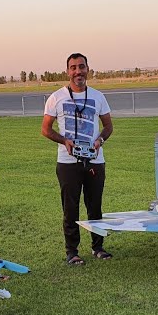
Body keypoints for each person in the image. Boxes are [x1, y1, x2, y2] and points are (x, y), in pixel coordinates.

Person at [41, 53, 114, 266]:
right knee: (70, 208)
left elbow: (108, 126)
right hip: (67, 162)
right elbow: (45, 129)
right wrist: (64, 141)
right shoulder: (56, 97)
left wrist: (100, 139)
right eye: (73, 68)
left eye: (81, 67)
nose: (77, 72)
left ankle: (97, 247)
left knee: (95, 206)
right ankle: (72, 251)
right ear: (67, 71)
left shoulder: (98, 97)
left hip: (94, 160)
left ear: (88, 69)